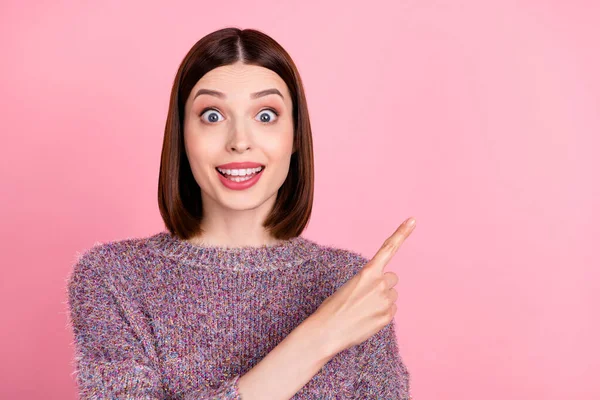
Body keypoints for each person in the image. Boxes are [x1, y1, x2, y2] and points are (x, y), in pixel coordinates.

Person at [66, 27, 415, 399]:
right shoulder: (114, 278)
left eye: (265, 115)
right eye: (212, 115)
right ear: (182, 135)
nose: (239, 141)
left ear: (296, 136)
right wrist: (317, 340)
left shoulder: (350, 286)